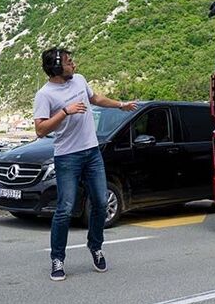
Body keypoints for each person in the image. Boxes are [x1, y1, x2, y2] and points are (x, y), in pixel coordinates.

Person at [33, 47, 137, 281]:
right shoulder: (45, 95)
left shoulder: (79, 80)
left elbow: (95, 98)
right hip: (67, 156)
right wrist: (65, 112)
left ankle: (95, 246)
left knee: (101, 202)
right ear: (57, 67)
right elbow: (40, 130)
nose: (74, 65)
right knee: (65, 208)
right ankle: (57, 259)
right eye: (69, 62)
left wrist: (121, 105)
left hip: (92, 153)